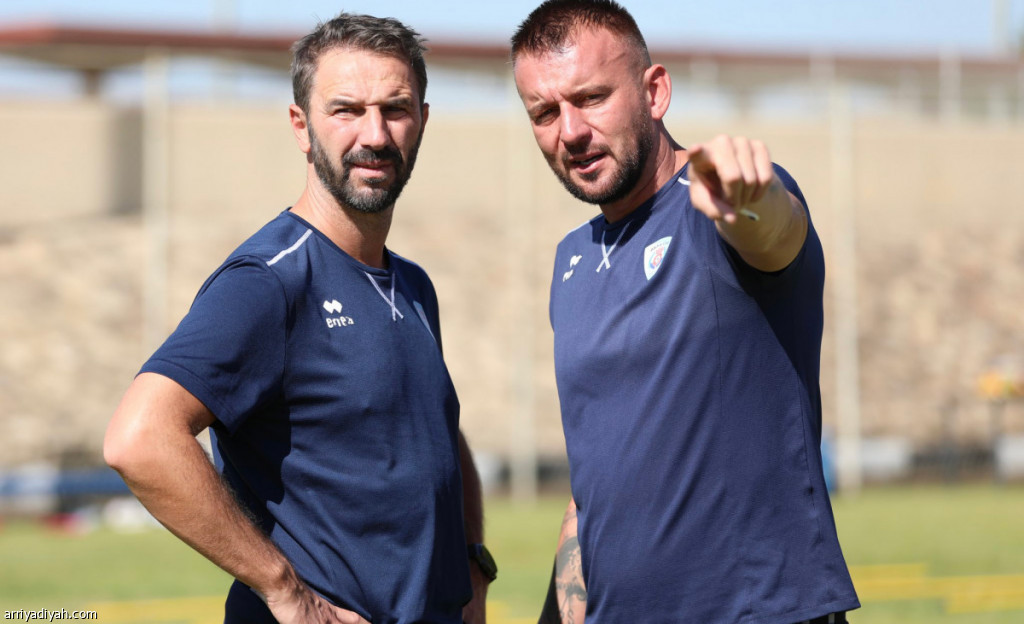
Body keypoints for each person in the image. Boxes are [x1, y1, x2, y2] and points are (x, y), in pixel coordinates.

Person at [104, 12, 495, 624]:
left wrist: (472, 561)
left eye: (395, 109)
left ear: (422, 120)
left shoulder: (413, 285)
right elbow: (140, 438)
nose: (375, 134)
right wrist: (284, 588)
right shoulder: (269, 281)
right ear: (301, 126)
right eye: (346, 110)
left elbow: (438, 431)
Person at [510, 1, 859, 623]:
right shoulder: (571, 261)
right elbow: (595, 484)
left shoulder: (714, 208)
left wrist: (751, 201)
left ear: (655, 92)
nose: (570, 130)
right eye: (545, 112)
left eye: (591, 98)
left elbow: (774, 233)